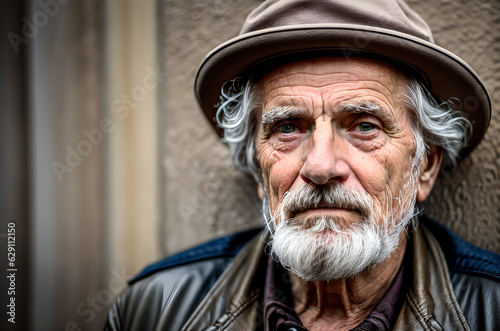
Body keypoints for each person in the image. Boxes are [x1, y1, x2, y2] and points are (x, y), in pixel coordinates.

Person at [105, 0, 500, 330]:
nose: (321, 166)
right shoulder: (153, 310)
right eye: (288, 128)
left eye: (364, 125)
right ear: (258, 168)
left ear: (424, 167)